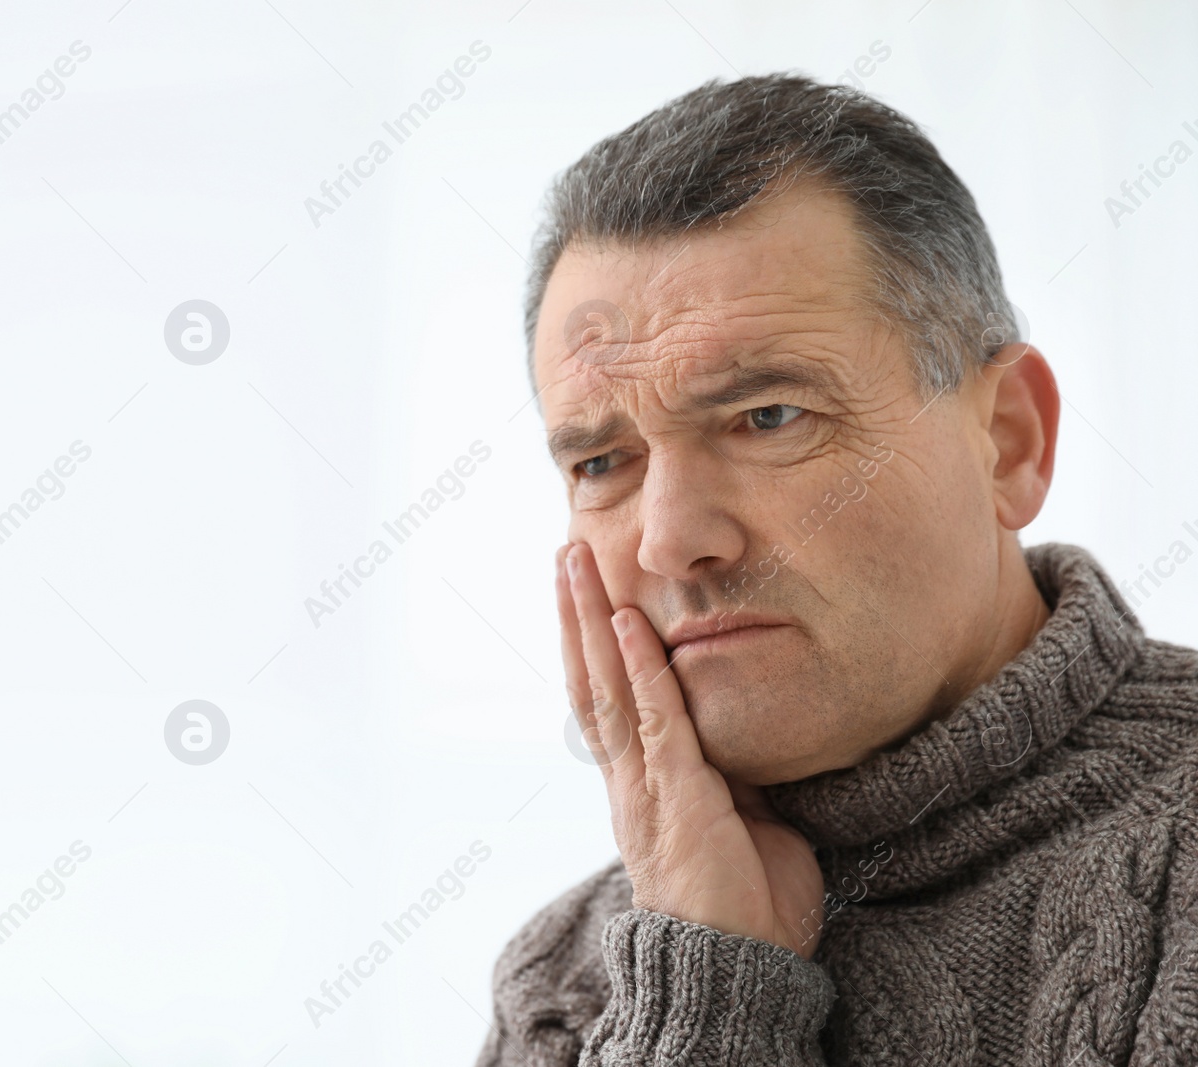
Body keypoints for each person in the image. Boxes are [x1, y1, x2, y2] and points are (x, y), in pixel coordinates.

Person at [476, 73, 1198, 1065]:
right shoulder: (570, 985)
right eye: (601, 463)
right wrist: (705, 992)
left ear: (1006, 439)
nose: (670, 540)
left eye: (768, 416)